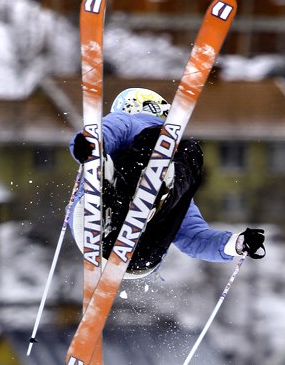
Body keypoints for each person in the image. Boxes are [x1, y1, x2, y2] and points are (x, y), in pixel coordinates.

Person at [68, 87, 265, 278]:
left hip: (100, 238)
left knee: (181, 156)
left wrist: (235, 244)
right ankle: (125, 200)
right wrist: (91, 145)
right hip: (139, 258)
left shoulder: (173, 175)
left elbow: (193, 234)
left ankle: (140, 201)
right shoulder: (130, 122)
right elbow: (111, 129)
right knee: (188, 150)